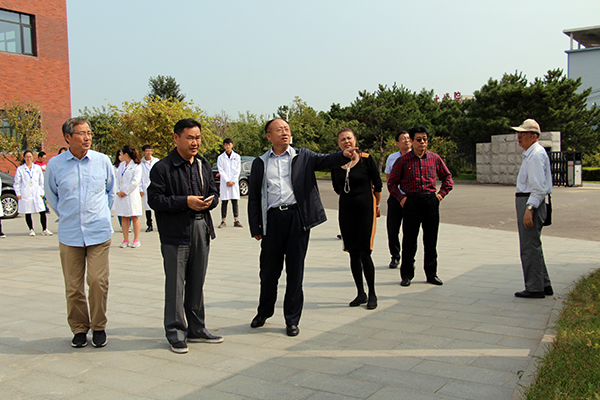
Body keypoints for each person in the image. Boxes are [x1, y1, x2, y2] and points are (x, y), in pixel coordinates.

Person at [248, 118, 357, 336]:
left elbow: (325, 160)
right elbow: (253, 197)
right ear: (269, 136)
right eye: (279, 130)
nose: (285, 132)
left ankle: (292, 319)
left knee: (295, 271)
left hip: (297, 219)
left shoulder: (303, 156)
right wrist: (255, 227)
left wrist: (343, 155)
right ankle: (264, 312)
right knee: (268, 272)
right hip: (272, 220)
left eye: (287, 129)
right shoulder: (260, 162)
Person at [147, 118, 223, 354]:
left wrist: (210, 201)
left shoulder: (202, 164)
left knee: (197, 282)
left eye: (198, 137)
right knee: (175, 284)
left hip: (201, 228)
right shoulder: (162, 168)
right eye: (190, 137)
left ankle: (197, 328)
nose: (195, 142)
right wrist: (185, 202)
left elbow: (214, 192)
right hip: (175, 233)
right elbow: (155, 200)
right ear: (176, 138)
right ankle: (175, 332)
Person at [45, 117, 115, 348]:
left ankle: (98, 326)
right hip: (70, 234)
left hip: (98, 232)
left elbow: (110, 191)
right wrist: (68, 215)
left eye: (89, 133)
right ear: (68, 137)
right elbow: (52, 196)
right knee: (73, 287)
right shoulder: (55, 165)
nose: (87, 137)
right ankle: (79, 328)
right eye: (81, 133)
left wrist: (101, 214)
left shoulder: (102, 161)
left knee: (97, 281)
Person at [388, 125, 453, 287]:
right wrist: (402, 199)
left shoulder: (434, 158)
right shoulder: (403, 160)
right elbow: (392, 183)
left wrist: (440, 195)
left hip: (431, 201)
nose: (422, 142)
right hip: (411, 202)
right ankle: (407, 275)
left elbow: (447, 178)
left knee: (431, 240)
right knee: (409, 240)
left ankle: (431, 274)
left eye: (425, 139)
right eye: (418, 139)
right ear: (412, 141)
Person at [331, 128, 382, 309]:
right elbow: (336, 187)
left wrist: (376, 205)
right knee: (353, 252)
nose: (346, 141)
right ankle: (361, 293)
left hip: (366, 210)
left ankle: (373, 293)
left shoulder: (366, 159)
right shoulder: (335, 163)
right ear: (339, 144)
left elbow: (378, 184)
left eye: (349, 138)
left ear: (355, 140)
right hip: (347, 212)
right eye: (342, 139)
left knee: (365, 252)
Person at [511, 119, 553, 298]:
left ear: (534, 136)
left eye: (523, 133)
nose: (519, 136)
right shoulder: (532, 153)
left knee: (529, 247)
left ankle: (535, 288)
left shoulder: (535, 155)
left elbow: (538, 188)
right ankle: (544, 284)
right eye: (518, 133)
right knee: (534, 245)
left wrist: (529, 208)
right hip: (529, 200)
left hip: (530, 202)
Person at [384, 131, 412, 269]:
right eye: (403, 138)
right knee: (392, 229)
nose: (406, 140)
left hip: (411, 198)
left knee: (410, 231)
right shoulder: (392, 158)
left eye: (408, 138)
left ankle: (409, 259)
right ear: (397, 143)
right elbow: (388, 177)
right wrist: (396, 192)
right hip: (395, 197)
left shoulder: (416, 156)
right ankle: (395, 256)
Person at [14, 150, 52, 236]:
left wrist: (42, 192)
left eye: (30, 157)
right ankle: (31, 229)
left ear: (33, 157)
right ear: (24, 158)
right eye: (27, 157)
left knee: (42, 210)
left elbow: (41, 181)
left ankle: (44, 229)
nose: (28, 158)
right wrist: (18, 193)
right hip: (26, 193)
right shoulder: (20, 169)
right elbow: (17, 183)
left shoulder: (37, 168)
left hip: (36, 192)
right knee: (28, 211)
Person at [114, 145, 143, 248]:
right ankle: (125, 239)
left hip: (131, 194)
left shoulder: (136, 166)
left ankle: (136, 239)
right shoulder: (121, 166)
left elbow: (135, 182)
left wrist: (125, 192)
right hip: (121, 195)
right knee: (124, 216)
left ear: (126, 154)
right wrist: (118, 191)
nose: (120, 156)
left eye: (121, 154)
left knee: (134, 216)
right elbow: (117, 179)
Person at [217, 138, 243, 228]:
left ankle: (236, 220)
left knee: (234, 200)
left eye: (229, 144)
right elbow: (221, 170)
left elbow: (238, 170)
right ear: (224, 146)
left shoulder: (237, 157)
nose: (228, 146)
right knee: (224, 201)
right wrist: (227, 180)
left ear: (232, 145)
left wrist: (233, 180)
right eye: (226, 145)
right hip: (225, 183)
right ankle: (223, 220)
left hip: (233, 183)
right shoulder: (220, 158)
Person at [140, 144, 159, 232]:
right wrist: (140, 188)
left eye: (150, 151)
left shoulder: (156, 161)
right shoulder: (140, 163)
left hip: (156, 185)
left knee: (157, 205)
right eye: (147, 151)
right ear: (143, 152)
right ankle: (149, 225)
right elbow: (139, 177)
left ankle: (159, 224)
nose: (149, 153)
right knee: (147, 207)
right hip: (145, 186)